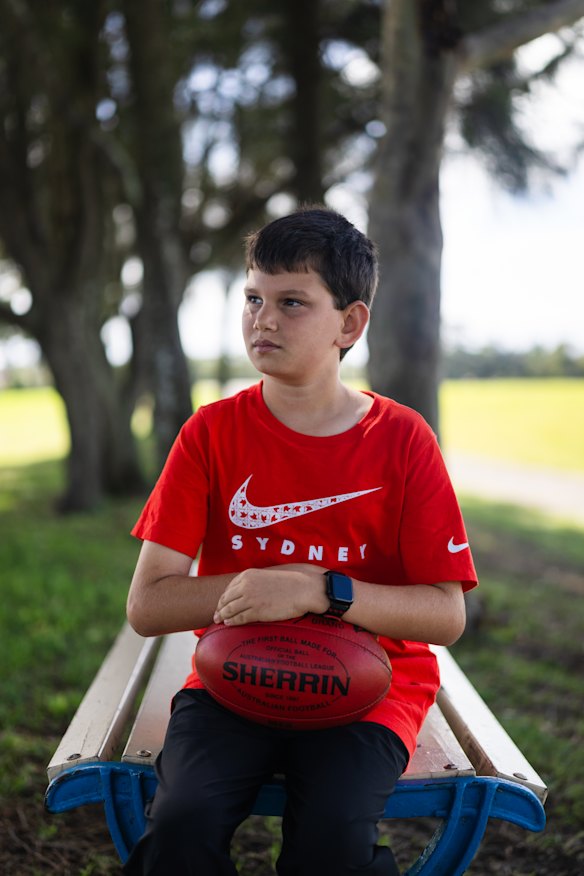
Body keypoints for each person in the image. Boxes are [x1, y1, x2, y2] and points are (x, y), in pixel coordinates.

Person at [123, 206, 477, 876]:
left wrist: (318, 591)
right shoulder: (210, 434)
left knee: (333, 839)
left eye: (292, 302)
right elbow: (148, 607)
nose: (264, 319)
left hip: (371, 687)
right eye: (253, 298)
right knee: (181, 824)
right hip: (236, 677)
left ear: (350, 323)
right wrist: (253, 593)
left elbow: (446, 613)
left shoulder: (402, 441)